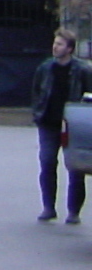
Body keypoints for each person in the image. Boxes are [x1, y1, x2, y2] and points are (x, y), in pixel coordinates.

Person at [33, 28, 92, 222]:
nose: (54, 47)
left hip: (73, 126)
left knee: (75, 168)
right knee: (47, 162)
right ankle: (48, 207)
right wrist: (38, 113)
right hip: (48, 123)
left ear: (69, 49)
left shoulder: (83, 70)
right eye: (55, 43)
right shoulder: (45, 68)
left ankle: (73, 211)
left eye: (59, 44)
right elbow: (37, 92)